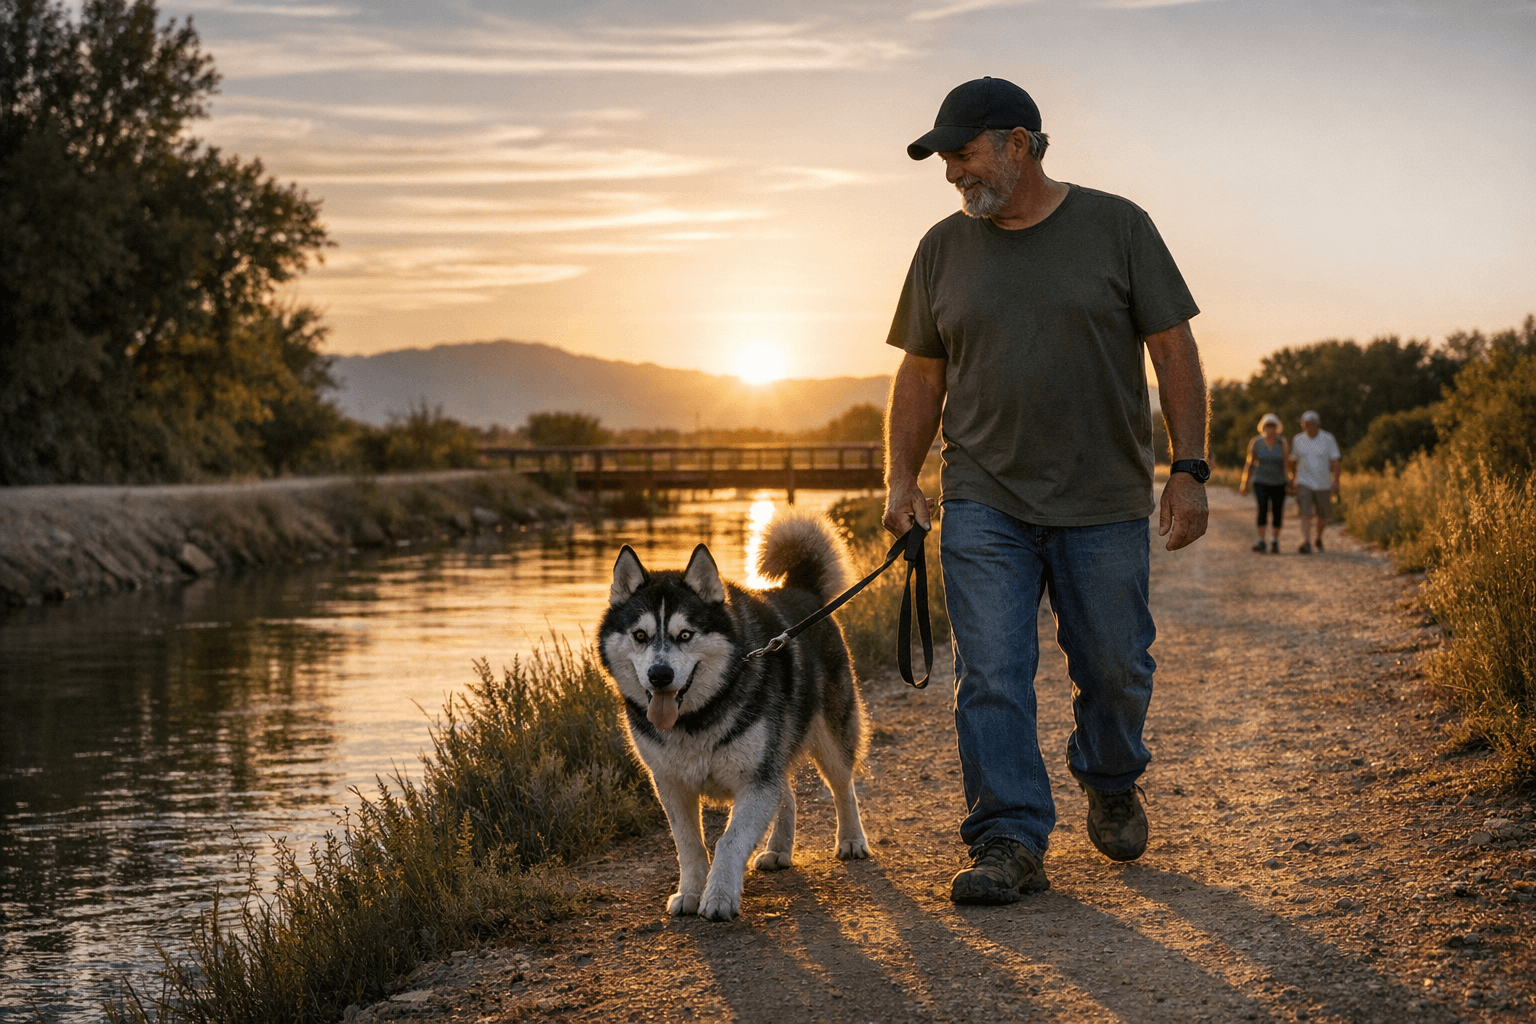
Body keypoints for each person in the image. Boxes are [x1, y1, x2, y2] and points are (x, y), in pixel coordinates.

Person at [882, 76, 1209, 905]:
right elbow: (921, 372)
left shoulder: (1118, 226)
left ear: (1018, 144)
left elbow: (1173, 349)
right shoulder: (940, 249)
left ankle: (1108, 775)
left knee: (1115, 668)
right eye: (943, 160)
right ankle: (1007, 836)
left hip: (1101, 500)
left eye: (962, 154)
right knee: (991, 672)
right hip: (984, 496)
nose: (952, 174)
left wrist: (1190, 468)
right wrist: (901, 478)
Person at [1288, 410, 1341, 553]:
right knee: (1305, 512)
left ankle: (1318, 538)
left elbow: (1336, 462)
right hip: (1304, 481)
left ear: (1316, 425)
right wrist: (1292, 479)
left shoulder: (1327, 439)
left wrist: (1336, 482)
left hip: (1323, 483)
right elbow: (1293, 460)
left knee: (1323, 516)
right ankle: (1306, 541)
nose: (1307, 427)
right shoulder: (1298, 440)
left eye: (1310, 424)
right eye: (1304, 424)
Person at [1238, 413, 1290, 553]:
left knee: (1277, 511)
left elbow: (1286, 463)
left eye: (1273, 426)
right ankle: (1261, 540)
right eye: (1268, 426)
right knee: (1262, 509)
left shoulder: (1282, 442)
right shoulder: (1256, 442)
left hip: (1279, 481)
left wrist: (1289, 480)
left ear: (1277, 427)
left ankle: (1275, 541)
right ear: (1263, 427)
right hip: (1260, 480)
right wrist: (1244, 483)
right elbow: (1250, 464)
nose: (1270, 429)